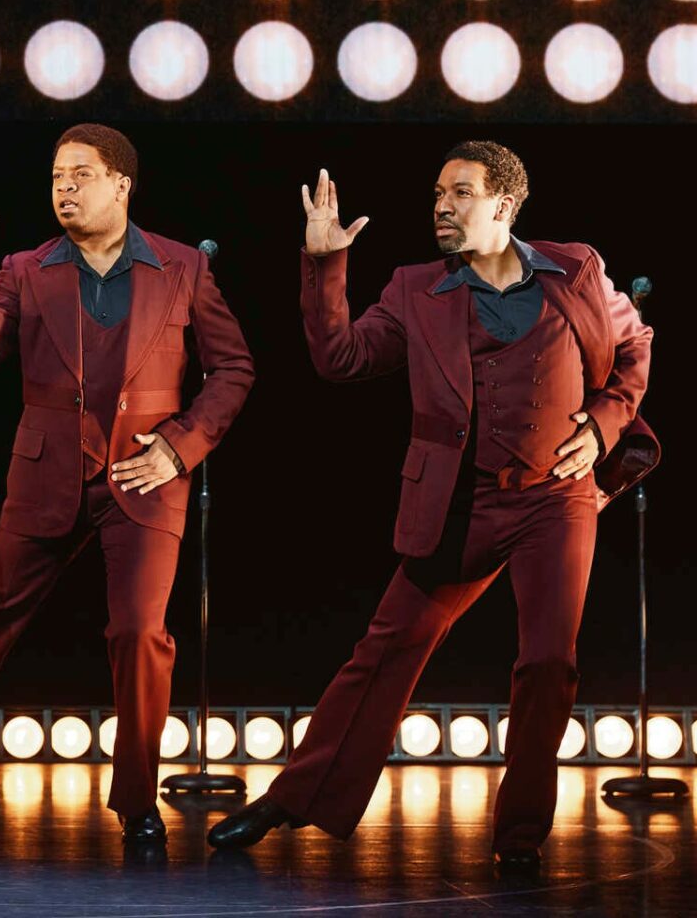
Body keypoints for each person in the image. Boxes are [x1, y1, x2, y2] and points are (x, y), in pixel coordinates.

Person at [208, 143, 652, 870]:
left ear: (504, 205)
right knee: (387, 648)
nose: (442, 206)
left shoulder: (575, 269)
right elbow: (341, 357)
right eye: (438, 194)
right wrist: (324, 263)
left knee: (548, 661)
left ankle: (520, 835)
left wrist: (603, 424)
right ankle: (293, 796)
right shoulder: (418, 289)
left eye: (460, 193)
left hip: (555, 498)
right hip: (460, 502)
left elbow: (635, 345)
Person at [0, 124, 254, 847]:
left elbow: (233, 368)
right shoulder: (25, 268)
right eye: (55, 177)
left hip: (143, 478)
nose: (64, 188)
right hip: (47, 474)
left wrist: (180, 447)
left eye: (81, 174)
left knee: (139, 632)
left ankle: (137, 800)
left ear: (122, 185)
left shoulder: (182, 267)